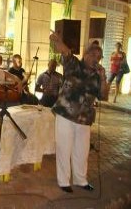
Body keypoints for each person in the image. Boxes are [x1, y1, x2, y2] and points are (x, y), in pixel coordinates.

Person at [50, 32, 109, 193]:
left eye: (99, 56)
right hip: (66, 115)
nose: (96, 58)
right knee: (64, 148)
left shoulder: (97, 76)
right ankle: (63, 181)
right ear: (85, 54)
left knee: (82, 151)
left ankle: (81, 180)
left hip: (84, 118)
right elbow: (64, 51)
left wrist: (103, 78)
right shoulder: (74, 64)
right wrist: (58, 40)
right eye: (93, 54)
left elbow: (104, 96)